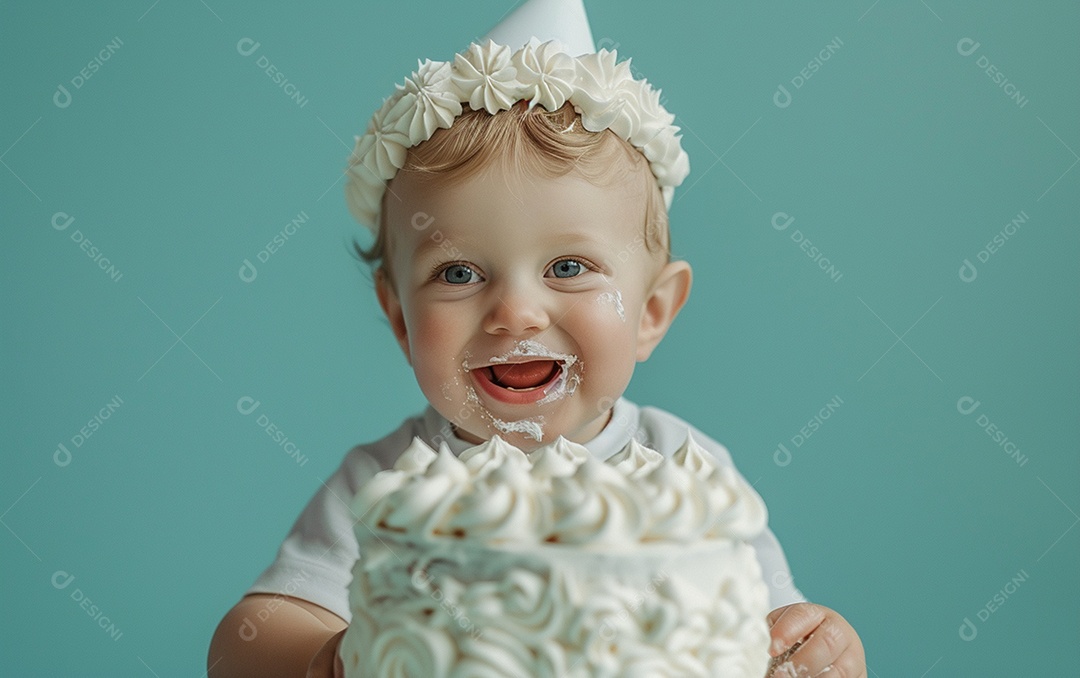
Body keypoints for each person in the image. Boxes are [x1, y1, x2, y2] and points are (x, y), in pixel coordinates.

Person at [208, 2, 866, 676]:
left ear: (651, 312)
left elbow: (770, 631)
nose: (516, 313)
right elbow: (246, 641)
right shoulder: (387, 487)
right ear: (402, 320)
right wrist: (324, 660)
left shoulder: (685, 469)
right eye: (459, 273)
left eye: (568, 268)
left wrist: (813, 648)